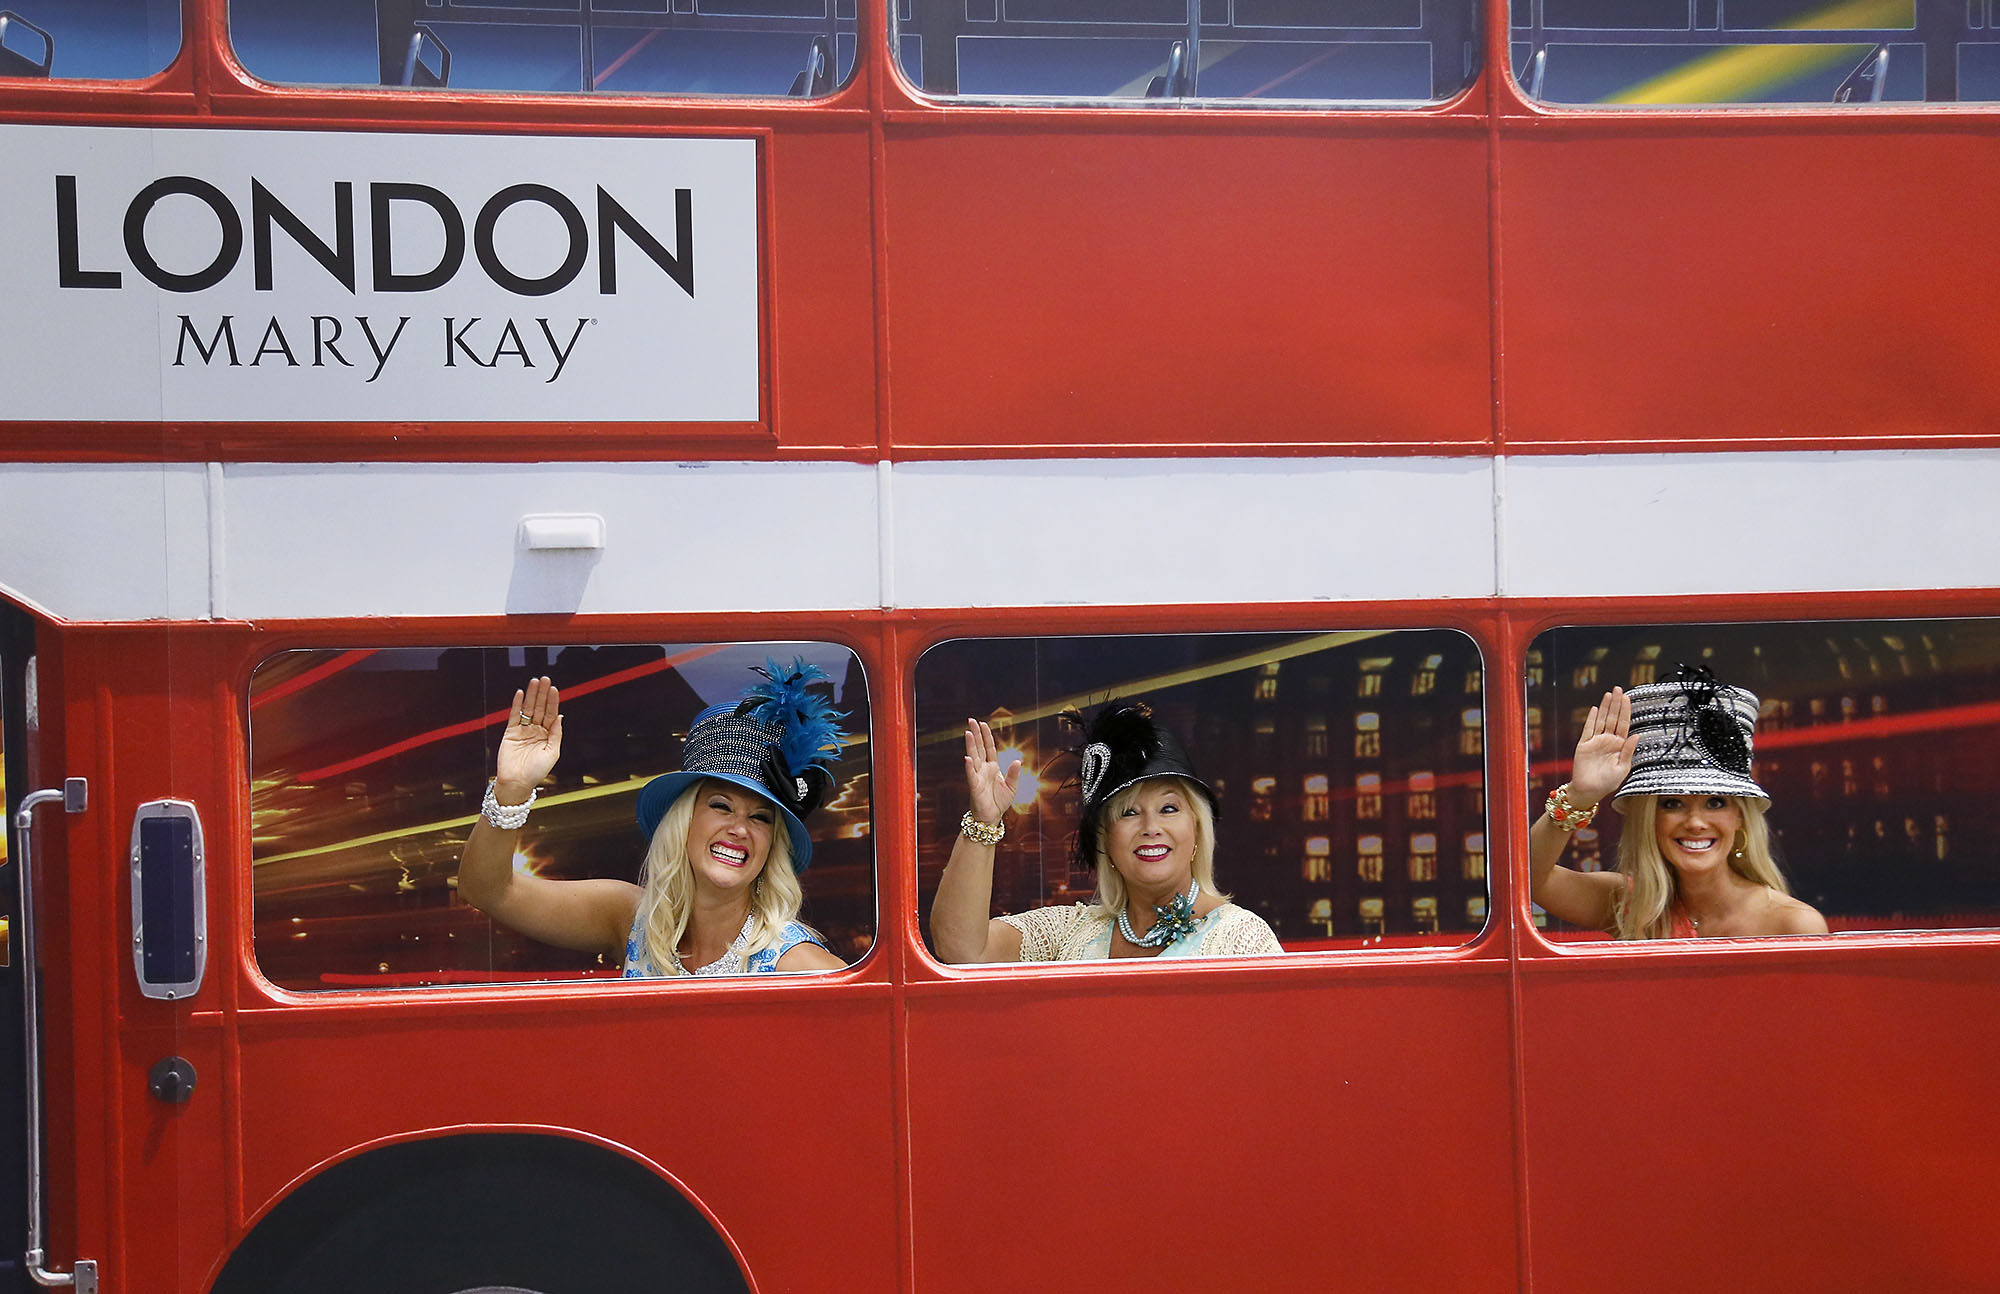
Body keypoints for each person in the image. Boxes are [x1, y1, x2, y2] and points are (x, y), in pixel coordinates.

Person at [457, 658, 849, 975]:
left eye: (761, 818)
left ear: (772, 844)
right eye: (721, 806)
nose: (739, 828)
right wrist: (512, 788)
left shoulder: (803, 968)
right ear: (684, 818)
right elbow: (488, 891)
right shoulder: (630, 919)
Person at [931, 699, 1282, 963]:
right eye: (1129, 812)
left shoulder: (1243, 940)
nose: (1151, 827)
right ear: (1106, 840)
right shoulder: (1069, 932)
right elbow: (961, 949)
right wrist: (984, 819)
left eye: (1169, 808)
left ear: (1197, 830)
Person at [1530, 664, 1827, 939]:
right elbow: (1527, 879)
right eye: (1672, 804)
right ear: (1649, 818)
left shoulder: (1794, 924)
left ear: (1740, 816)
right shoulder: (1632, 905)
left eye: (1715, 803)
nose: (1695, 822)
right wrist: (1580, 796)